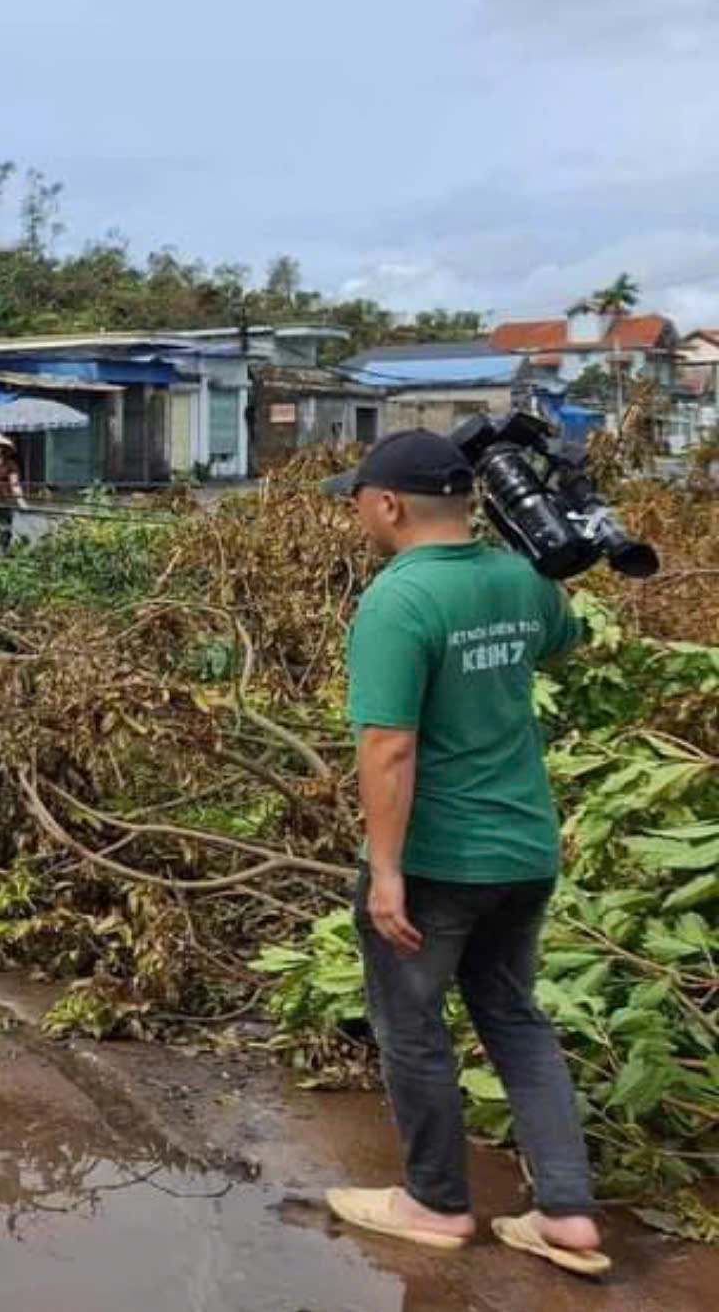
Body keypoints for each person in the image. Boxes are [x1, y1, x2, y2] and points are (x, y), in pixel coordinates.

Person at [321, 431, 606, 1278]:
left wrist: (385, 871)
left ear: (389, 505)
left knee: (411, 1026)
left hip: (442, 857)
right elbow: (563, 639)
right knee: (516, 1018)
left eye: (359, 499)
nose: (358, 513)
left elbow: (389, 749)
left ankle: (436, 1201)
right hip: (524, 847)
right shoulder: (524, 578)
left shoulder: (398, 599)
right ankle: (566, 1213)